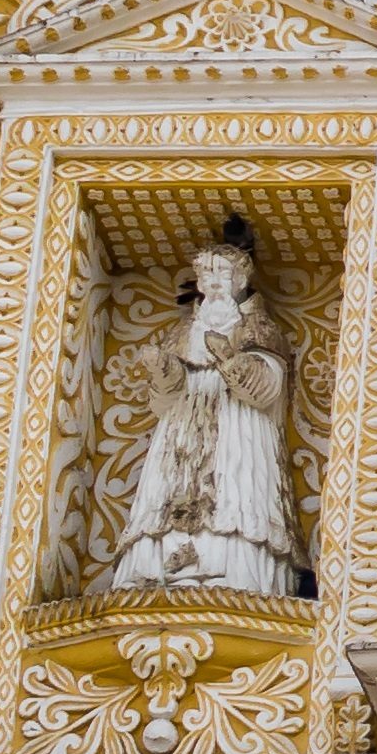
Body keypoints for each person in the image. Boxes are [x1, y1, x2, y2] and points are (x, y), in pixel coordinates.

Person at [108, 227, 305, 595]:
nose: (215, 284)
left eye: (223, 274)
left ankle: (232, 570)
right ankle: (157, 569)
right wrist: (163, 372)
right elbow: (162, 401)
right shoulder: (183, 332)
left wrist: (232, 361)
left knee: (234, 493)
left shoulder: (259, 328)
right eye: (207, 275)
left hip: (239, 429)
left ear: (241, 279)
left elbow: (268, 390)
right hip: (181, 432)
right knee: (167, 494)